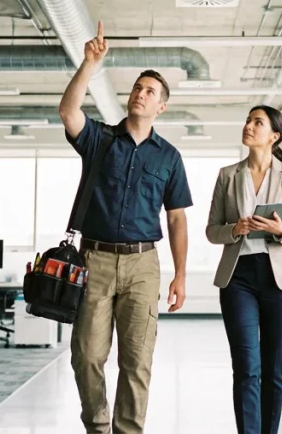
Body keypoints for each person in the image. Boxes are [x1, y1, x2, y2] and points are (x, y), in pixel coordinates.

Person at [59, 21, 192, 434]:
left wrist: (181, 274)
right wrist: (89, 63)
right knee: (86, 355)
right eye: (137, 87)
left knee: (137, 360)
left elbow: (176, 217)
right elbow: (68, 112)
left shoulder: (168, 157)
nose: (141, 93)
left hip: (142, 265)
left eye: (150, 91)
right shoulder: (100, 139)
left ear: (160, 107)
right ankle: (98, 427)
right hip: (94, 260)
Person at [206, 106, 282, 434]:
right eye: (248, 120)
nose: (248, 126)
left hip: (281, 281)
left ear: (274, 135)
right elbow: (212, 230)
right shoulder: (228, 175)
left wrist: (281, 231)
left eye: (257, 122)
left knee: (274, 368)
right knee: (246, 367)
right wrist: (234, 229)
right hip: (238, 278)